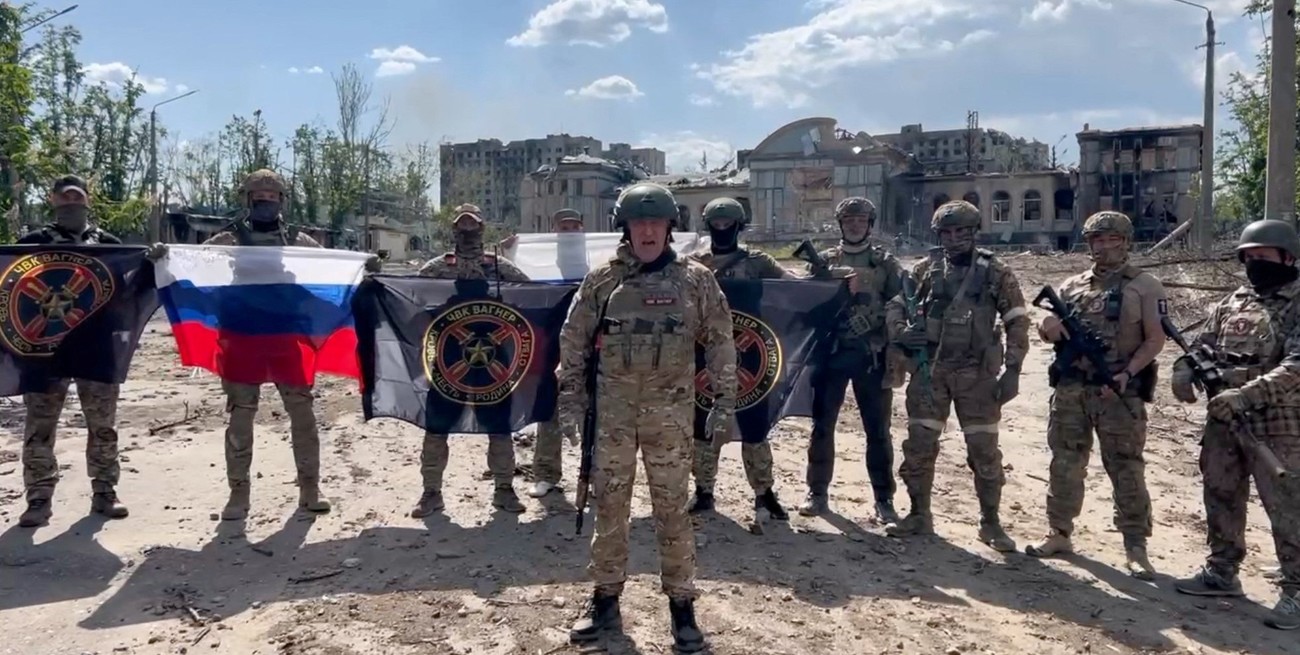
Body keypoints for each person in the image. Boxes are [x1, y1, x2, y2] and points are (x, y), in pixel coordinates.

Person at [556, 182, 735, 652]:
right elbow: (573, 340)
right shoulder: (603, 280)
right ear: (625, 228)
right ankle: (605, 601)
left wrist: (725, 401)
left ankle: (682, 606)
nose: (648, 231)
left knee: (672, 510)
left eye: (656, 223)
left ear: (670, 227)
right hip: (613, 416)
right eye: (640, 223)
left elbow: (721, 339)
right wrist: (571, 401)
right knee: (610, 507)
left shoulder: (696, 280)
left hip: (670, 420)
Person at [147, 168, 378, 520]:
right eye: (259, 197)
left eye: (271, 197)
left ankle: (310, 489)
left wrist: (363, 266)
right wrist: (165, 257)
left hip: (287, 334)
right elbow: (192, 264)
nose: (265, 202)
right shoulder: (228, 239)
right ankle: (238, 495)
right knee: (241, 415)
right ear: (247, 199)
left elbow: (329, 267)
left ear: (282, 201)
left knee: (302, 413)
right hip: (241, 334)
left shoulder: (299, 241)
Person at [1172, 219, 1300, 630]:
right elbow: (1204, 344)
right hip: (1223, 418)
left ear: (1287, 258)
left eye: (1264, 256)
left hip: (1278, 422)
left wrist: (1245, 395)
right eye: (1250, 257)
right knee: (1221, 491)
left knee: (1287, 505)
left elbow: (1295, 366)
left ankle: (1296, 589)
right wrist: (1183, 369)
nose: (1256, 263)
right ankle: (1222, 570)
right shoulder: (1235, 300)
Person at [1025, 211, 1165, 580]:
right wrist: (1047, 325)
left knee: (1126, 467)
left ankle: (1135, 545)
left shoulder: (1145, 286)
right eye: (1097, 240)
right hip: (1072, 388)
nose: (1104, 247)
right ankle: (1059, 532)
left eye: (1112, 239)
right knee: (1065, 463)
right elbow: (1046, 327)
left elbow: (1155, 339)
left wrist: (1127, 373)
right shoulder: (1072, 286)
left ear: (1126, 241)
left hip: (1118, 390)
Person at [884, 199, 1028, 552]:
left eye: (961, 231)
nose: (953, 238)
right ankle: (919, 514)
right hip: (930, 371)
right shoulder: (924, 270)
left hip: (976, 374)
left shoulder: (996, 272)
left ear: (974, 232)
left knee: (984, 451)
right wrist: (902, 332)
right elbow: (896, 306)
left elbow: (1017, 320)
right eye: (946, 233)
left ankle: (991, 522)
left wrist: (1013, 370)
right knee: (919, 446)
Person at [687, 196, 818, 521]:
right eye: (716, 224)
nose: (722, 229)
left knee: (755, 426)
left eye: (728, 223)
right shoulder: (694, 264)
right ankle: (703, 491)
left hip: (752, 357)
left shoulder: (758, 262)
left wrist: (830, 282)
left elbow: (793, 287)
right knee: (702, 426)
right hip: (704, 357)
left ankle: (764, 493)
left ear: (739, 226)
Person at [17, 174, 128, 527]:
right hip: (44, 350)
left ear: (87, 200)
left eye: (77, 198)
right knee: (39, 427)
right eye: (64, 198)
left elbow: (127, 290)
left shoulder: (108, 244)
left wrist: (152, 261)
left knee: (103, 425)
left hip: (96, 347)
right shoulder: (31, 244)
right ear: (52, 201)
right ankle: (38, 498)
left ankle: (105, 491)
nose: (71, 204)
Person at [412, 203, 531, 516]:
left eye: (472, 224)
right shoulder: (438, 267)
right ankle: (431, 492)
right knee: (437, 424)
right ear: (454, 228)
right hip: (448, 359)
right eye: (462, 224)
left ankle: (504, 489)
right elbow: (410, 297)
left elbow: (531, 293)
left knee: (499, 424)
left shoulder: (499, 266)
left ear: (482, 227)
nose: (467, 229)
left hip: (493, 360)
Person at [800, 197, 905, 523]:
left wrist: (878, 319)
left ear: (870, 224)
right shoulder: (824, 261)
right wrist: (830, 286)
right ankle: (817, 492)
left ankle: (884, 499)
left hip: (870, 355)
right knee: (822, 427)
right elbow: (806, 303)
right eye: (849, 220)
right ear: (841, 224)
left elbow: (903, 301)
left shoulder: (885, 263)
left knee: (878, 430)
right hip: (832, 354)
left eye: (861, 220)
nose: (855, 225)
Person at [529, 207, 585, 499]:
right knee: (549, 411)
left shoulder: (597, 262)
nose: (570, 231)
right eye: (564, 227)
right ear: (555, 231)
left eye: (574, 226)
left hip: (588, 347)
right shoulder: (540, 264)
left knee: (593, 414)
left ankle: (591, 476)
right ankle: (545, 474)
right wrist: (510, 250)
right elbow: (516, 285)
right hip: (550, 347)